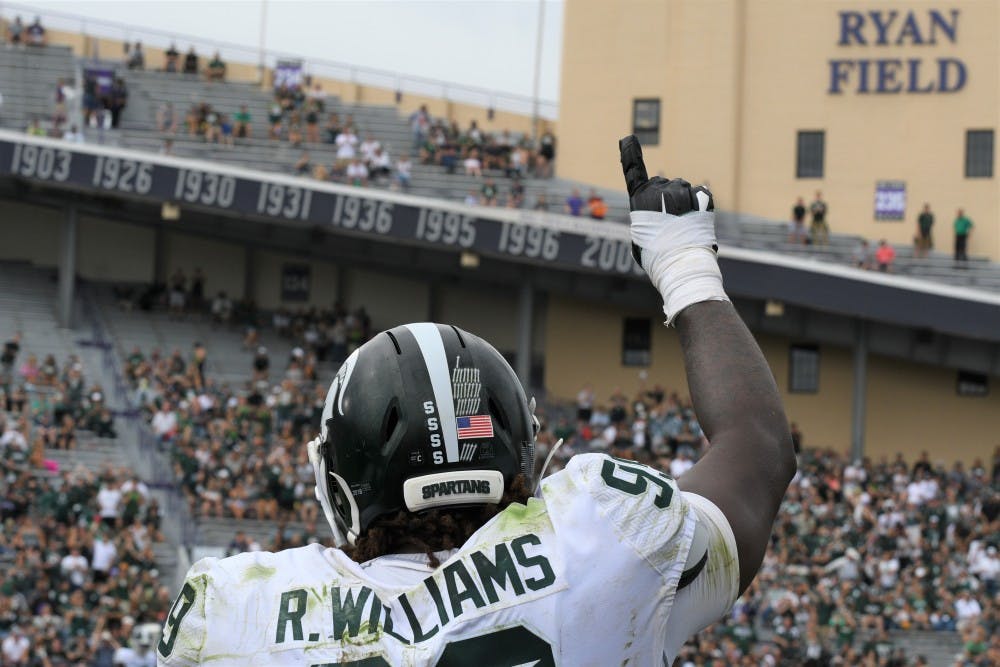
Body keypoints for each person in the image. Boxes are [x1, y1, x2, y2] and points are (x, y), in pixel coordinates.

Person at [157, 135, 795, 665]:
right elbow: (757, 450)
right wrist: (684, 265)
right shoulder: (605, 540)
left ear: (343, 483)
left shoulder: (229, 618)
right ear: (517, 452)